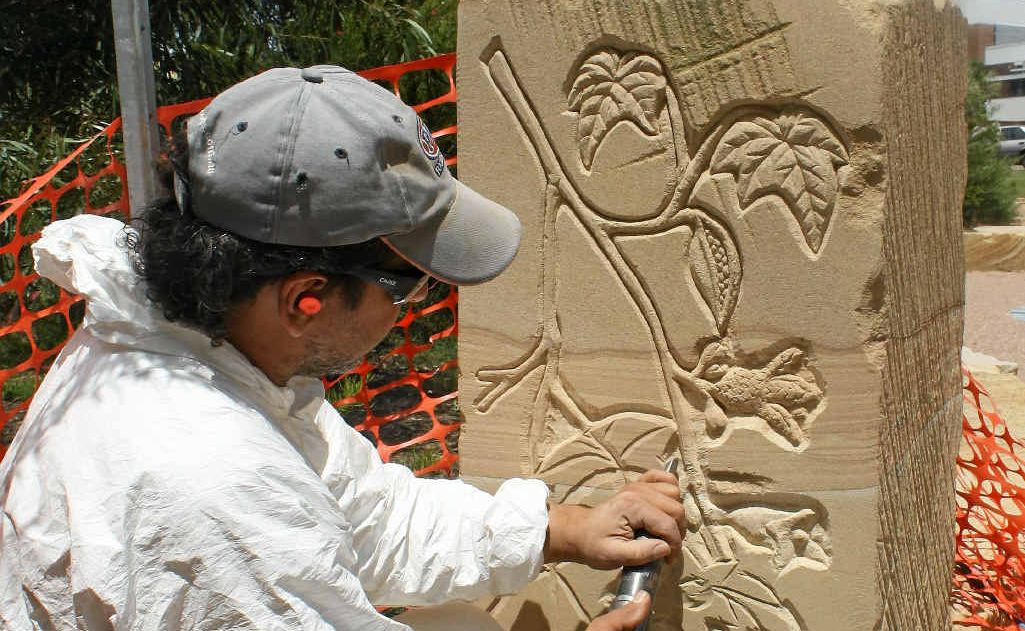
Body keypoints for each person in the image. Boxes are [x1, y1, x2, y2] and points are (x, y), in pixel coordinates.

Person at [0, 65, 684, 630]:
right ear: (306, 299)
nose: (413, 311)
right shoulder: (206, 478)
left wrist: (560, 528)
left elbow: (363, 514)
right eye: (408, 286)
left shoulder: (195, 346)